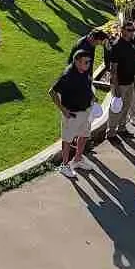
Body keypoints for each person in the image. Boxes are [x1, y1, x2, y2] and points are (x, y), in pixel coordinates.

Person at [49, 50, 96, 178]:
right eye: (86, 62)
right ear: (76, 62)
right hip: (72, 114)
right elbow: (52, 92)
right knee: (67, 140)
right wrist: (63, 110)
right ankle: (64, 165)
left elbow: (87, 86)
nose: (88, 64)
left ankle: (78, 159)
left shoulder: (84, 71)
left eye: (89, 62)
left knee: (84, 135)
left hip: (85, 111)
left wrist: (92, 98)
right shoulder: (67, 76)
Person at [104, 21, 135, 141]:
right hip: (119, 84)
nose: (132, 32)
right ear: (123, 30)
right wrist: (116, 88)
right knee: (116, 108)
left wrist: (133, 80)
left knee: (126, 107)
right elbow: (113, 69)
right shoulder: (117, 46)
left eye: (133, 30)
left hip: (129, 81)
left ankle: (122, 128)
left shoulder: (131, 44)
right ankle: (111, 133)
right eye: (129, 30)